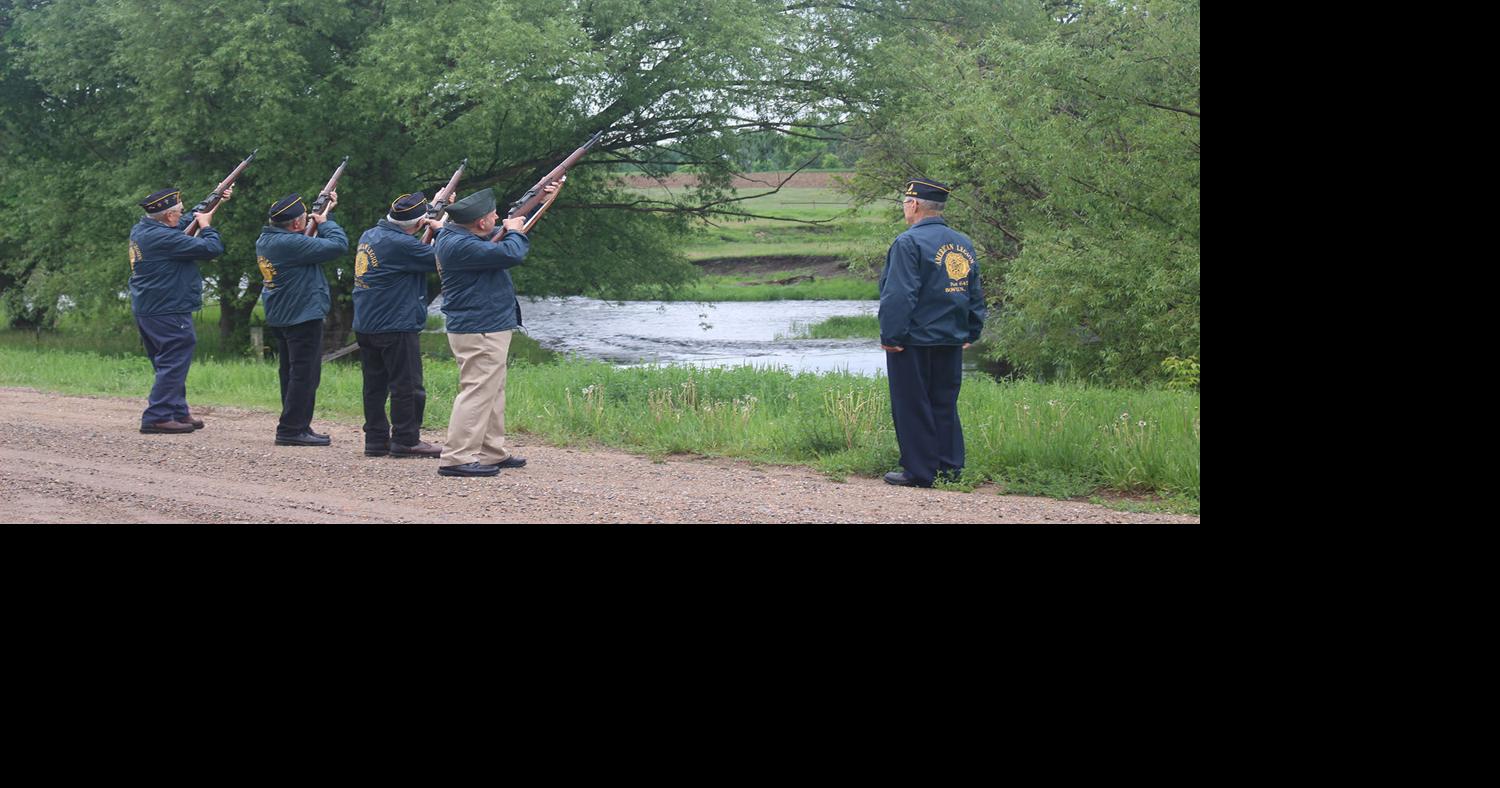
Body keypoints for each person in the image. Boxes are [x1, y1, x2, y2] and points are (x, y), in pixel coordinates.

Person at [432, 182, 559, 478]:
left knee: (491, 390)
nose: (497, 218)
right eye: (492, 215)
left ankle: (491, 451)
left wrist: (543, 200)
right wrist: (514, 230)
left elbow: (509, 233)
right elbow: (512, 252)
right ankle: (456, 457)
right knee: (477, 391)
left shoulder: (460, 235)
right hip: (481, 327)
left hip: (484, 324)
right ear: (481, 222)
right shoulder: (461, 245)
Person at [878, 178, 987, 487]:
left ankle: (920, 471)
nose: (905, 208)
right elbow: (973, 290)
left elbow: (900, 294)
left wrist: (891, 336)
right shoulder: (962, 243)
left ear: (914, 204)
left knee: (912, 404)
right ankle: (949, 468)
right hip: (951, 336)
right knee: (944, 403)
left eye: (905, 203)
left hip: (913, 339)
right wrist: (971, 330)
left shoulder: (908, 243)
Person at [128, 185, 233, 434]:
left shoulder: (144, 228)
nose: (182, 214)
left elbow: (187, 221)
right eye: (179, 211)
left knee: (168, 360)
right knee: (174, 359)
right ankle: (157, 416)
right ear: (168, 216)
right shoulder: (165, 238)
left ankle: (176, 410)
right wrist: (207, 226)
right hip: (167, 308)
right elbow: (212, 248)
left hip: (151, 307)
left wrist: (215, 199)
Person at [352, 192, 443, 459]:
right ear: (420, 224)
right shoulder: (403, 245)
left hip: (367, 322)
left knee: (374, 386)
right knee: (407, 386)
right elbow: (444, 258)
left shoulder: (371, 234)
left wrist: (436, 206)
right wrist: (442, 230)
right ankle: (406, 439)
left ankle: (375, 439)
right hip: (395, 324)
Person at [256, 191, 349, 447]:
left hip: (285, 314)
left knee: (291, 373)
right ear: (297, 223)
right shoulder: (291, 244)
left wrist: (324, 213)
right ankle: (291, 429)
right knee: (304, 375)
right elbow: (338, 245)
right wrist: (326, 222)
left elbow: (310, 246)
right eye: (305, 218)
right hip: (301, 316)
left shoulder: (268, 239)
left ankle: (297, 425)